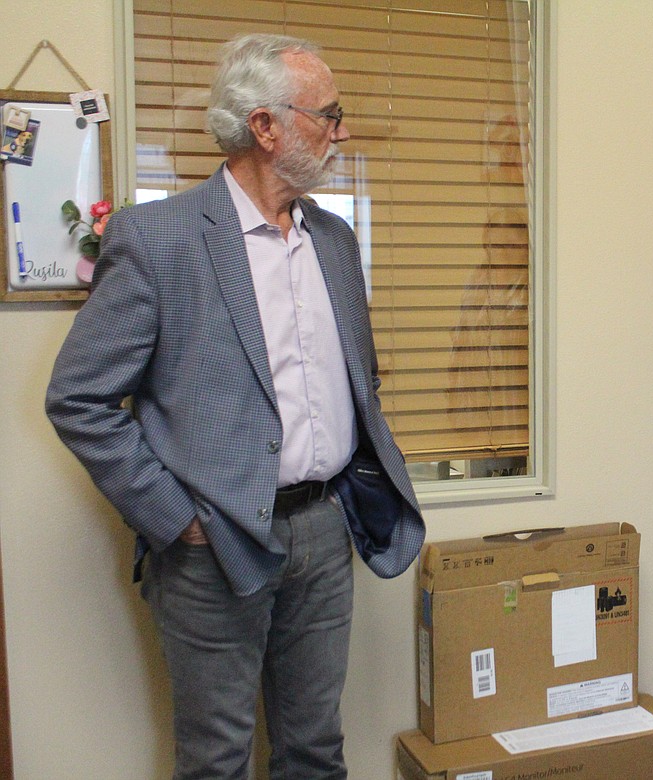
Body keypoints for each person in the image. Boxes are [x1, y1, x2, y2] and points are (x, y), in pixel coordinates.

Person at [45, 33, 425, 779]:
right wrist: (174, 517)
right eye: (329, 115)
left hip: (324, 531)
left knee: (316, 751)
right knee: (216, 762)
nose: (342, 132)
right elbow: (78, 397)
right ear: (265, 126)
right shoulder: (160, 240)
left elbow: (355, 379)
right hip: (213, 545)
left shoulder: (337, 242)